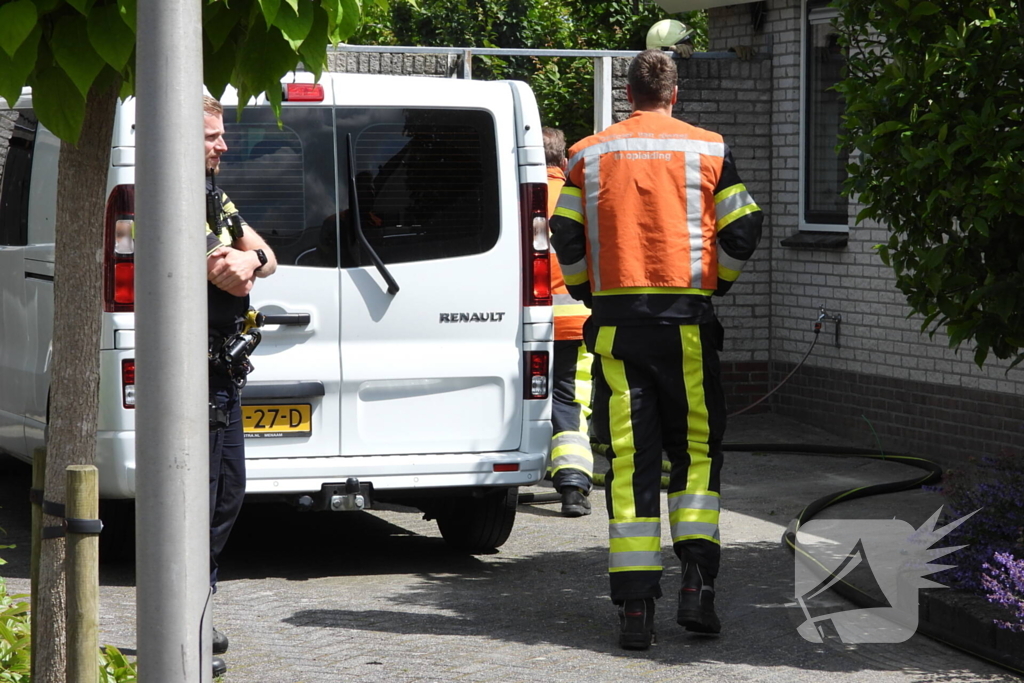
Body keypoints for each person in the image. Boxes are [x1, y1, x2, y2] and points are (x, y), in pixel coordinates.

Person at [550, 50, 762, 650]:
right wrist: (714, 283)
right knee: (695, 453)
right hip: (686, 326)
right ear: (676, 94)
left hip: (617, 329)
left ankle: (636, 610)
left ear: (627, 93)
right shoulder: (708, 148)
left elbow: (563, 232)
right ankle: (698, 585)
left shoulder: (588, 153)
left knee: (629, 461)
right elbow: (744, 227)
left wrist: (591, 290)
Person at [203, 94, 278, 674]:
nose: (223, 145)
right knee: (202, 498)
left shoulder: (213, 196)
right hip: (193, 379)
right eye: (210, 136)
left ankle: (197, 609)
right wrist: (244, 261)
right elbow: (228, 273)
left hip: (223, 379)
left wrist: (250, 259)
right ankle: (189, 620)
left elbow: (264, 254)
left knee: (227, 495)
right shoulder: (171, 196)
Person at [542, 126, 595, 517]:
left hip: (517, 326)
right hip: (574, 321)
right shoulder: (579, 198)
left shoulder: (511, 196)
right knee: (569, 401)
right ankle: (572, 487)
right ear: (563, 161)